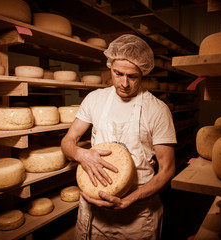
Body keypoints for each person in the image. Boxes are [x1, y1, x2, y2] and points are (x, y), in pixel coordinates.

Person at [61, 34, 177, 240]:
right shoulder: (95, 99)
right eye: (118, 73)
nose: (124, 83)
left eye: (132, 76)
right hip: (93, 209)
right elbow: (68, 141)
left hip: (136, 214)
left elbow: (167, 170)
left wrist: (129, 200)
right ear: (110, 66)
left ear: (143, 73)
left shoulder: (157, 110)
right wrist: (81, 154)